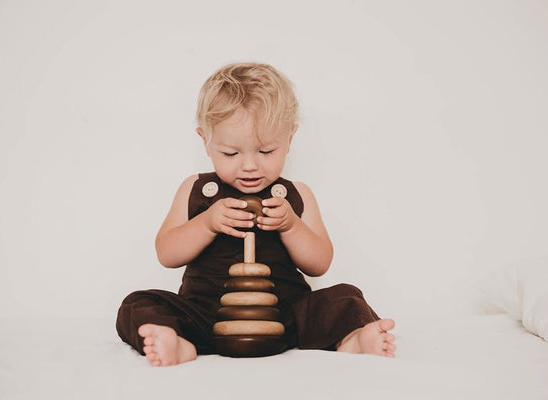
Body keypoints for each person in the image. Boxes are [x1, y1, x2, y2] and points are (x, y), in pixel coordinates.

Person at [116, 62, 396, 366]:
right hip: (207, 316)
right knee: (136, 303)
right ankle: (178, 341)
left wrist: (291, 226)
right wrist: (207, 223)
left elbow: (320, 263)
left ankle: (352, 338)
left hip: (284, 316)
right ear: (205, 141)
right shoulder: (196, 189)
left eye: (266, 152)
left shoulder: (296, 195)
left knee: (346, 297)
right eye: (231, 154)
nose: (250, 165)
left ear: (289, 140)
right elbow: (166, 253)